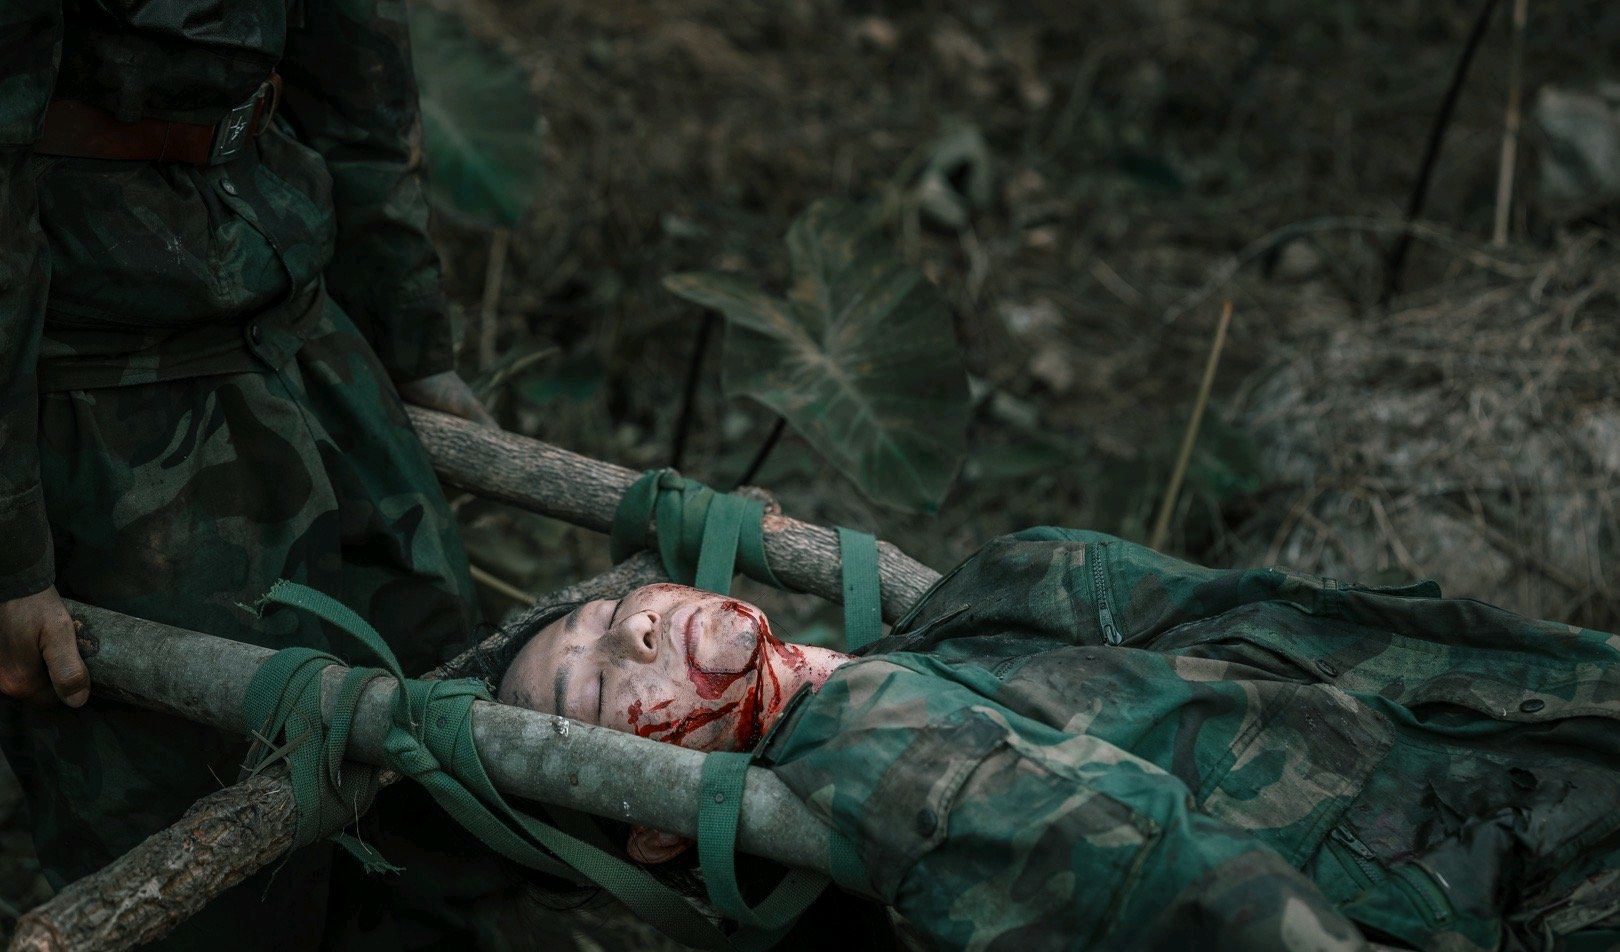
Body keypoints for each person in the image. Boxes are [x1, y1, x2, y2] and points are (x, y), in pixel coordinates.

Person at [500, 528, 1620, 952]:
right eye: (591, 687)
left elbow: (1294, 617)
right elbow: (1187, 898)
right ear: (652, 828)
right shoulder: (867, 755)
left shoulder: (994, 591)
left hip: (1536, 738)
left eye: (603, 615)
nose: (630, 627)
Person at [0, 1, 490, 947]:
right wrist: (12, 555)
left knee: (440, 745)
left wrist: (411, 339)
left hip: (296, 310)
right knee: (218, 850)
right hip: (95, 387)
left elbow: (358, 68)